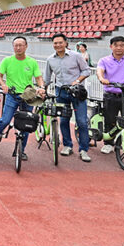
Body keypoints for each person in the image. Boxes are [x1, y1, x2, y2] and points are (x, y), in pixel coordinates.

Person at [0, 36, 46, 160]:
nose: (18, 47)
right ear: (13, 47)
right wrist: (3, 84)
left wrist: (41, 87)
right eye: (16, 45)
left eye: (21, 45)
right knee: (5, 120)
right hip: (12, 95)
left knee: (27, 123)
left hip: (28, 96)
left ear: (26, 46)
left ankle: (20, 150)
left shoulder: (32, 62)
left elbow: (38, 77)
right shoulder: (7, 61)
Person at [44, 34, 92, 162]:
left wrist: (77, 81)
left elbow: (86, 71)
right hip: (61, 92)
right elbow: (47, 78)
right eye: (55, 43)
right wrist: (42, 89)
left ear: (66, 43)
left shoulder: (76, 56)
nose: (58, 45)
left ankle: (83, 149)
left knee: (81, 121)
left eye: (60, 42)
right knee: (64, 120)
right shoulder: (50, 59)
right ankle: (67, 145)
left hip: (77, 92)